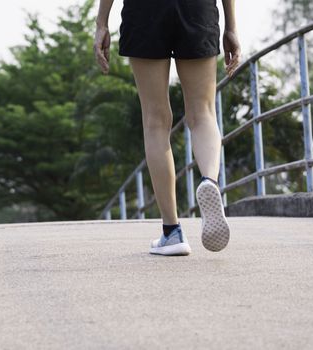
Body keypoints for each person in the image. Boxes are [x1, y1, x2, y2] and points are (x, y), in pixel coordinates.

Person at [94, 0, 241, 256]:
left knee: (155, 121)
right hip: (197, 9)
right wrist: (231, 27)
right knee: (203, 113)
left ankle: (171, 232)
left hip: (145, 11)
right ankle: (209, 180)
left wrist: (101, 23)